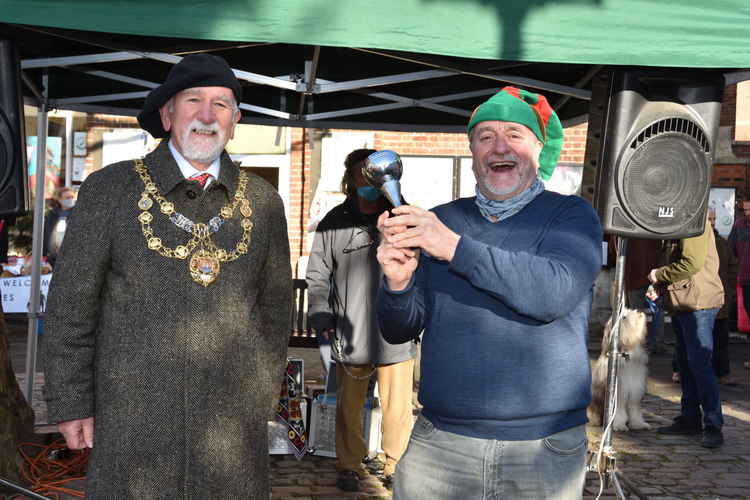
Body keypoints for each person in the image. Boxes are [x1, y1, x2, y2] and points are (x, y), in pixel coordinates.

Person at [42, 54, 292, 498]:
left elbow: (274, 312)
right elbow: (70, 307)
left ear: (235, 121)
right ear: (166, 114)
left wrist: (259, 396)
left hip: (229, 435)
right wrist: (72, 401)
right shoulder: (110, 189)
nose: (205, 115)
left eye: (221, 104)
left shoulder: (264, 201)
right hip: (130, 423)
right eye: (192, 100)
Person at [376, 87, 603, 499]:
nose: (499, 146)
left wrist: (453, 248)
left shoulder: (571, 216)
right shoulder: (444, 219)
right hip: (440, 445)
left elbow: (551, 293)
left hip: (542, 448)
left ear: (537, 147)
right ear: (474, 153)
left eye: (514, 134)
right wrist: (397, 282)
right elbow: (398, 330)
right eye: (485, 137)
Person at [306, 149, 417, 492]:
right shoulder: (333, 223)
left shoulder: (404, 216)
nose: (367, 182)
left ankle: (396, 464)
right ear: (350, 179)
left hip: (396, 330)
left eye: (372, 176)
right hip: (349, 330)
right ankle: (349, 465)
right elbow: (318, 275)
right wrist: (321, 314)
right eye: (360, 175)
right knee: (348, 407)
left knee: (398, 405)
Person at [649, 213, 724, 448]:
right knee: (685, 364)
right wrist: (661, 285)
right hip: (684, 301)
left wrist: (659, 275)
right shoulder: (682, 220)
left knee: (699, 365)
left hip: (698, 302)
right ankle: (690, 419)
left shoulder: (694, 220)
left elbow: (691, 263)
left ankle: (713, 425)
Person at [727, 199, 750, 371]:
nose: (747, 213)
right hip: (745, 279)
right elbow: (731, 250)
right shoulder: (739, 225)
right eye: (745, 210)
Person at [42, 186, 76, 267]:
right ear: (59, 199)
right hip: (52, 258)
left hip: (71, 258)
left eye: (72, 197)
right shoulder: (52, 214)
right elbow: (45, 233)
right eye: (67, 197)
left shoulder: (78, 214)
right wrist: (43, 253)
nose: (70, 199)